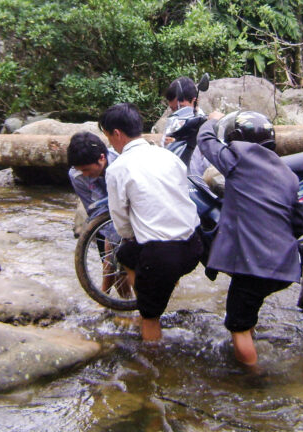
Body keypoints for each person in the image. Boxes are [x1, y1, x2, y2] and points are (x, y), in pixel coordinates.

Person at [196, 110, 303, 369]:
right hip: (286, 266)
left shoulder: (239, 159)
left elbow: (205, 140)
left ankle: (252, 380)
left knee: (236, 324)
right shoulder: (288, 174)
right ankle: (251, 340)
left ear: (237, 138)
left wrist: (212, 119)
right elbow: (300, 223)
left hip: (255, 266)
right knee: (248, 308)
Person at [100, 103, 202, 342]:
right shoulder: (168, 156)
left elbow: (121, 223)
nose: (109, 142)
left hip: (162, 255)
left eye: (107, 136)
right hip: (194, 246)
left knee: (150, 318)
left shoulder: (118, 169)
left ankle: (152, 366)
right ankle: (156, 293)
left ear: (116, 133)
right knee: (126, 254)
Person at [67, 131, 127, 296]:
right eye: (81, 170)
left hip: (130, 214)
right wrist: (112, 237)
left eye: (87, 169)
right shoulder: (76, 174)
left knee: (134, 264)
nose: (84, 174)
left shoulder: (122, 164)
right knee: (110, 263)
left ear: (102, 158)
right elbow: (92, 209)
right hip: (102, 217)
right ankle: (122, 302)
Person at [161, 76, 210, 177]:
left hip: (198, 182)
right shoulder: (173, 122)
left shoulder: (206, 126)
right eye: (173, 109)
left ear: (194, 101)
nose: (177, 112)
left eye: (181, 107)